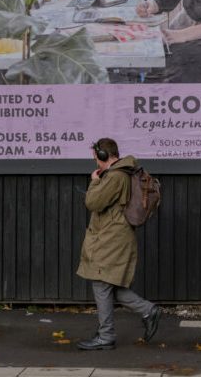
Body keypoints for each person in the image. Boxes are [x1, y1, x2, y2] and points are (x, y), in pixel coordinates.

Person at [76, 138, 162, 350]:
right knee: (109, 285)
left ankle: (106, 336)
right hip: (114, 236)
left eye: (96, 157)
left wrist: (94, 182)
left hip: (110, 238)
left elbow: (92, 202)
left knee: (101, 282)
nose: (95, 162)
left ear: (103, 155)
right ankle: (148, 310)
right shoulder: (122, 173)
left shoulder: (115, 177)